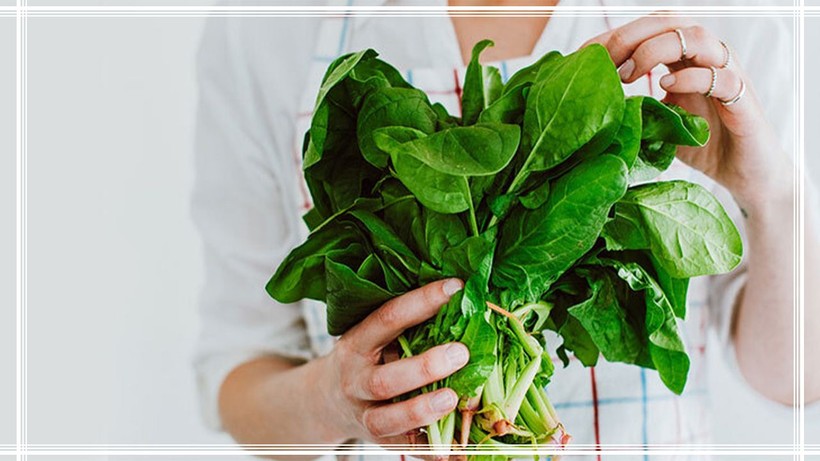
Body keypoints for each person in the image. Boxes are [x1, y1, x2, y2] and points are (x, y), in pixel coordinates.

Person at [191, 0, 820, 457]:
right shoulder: (263, 29)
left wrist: (776, 193)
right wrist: (333, 402)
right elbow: (241, 373)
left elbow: (793, 381)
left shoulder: (735, 17)